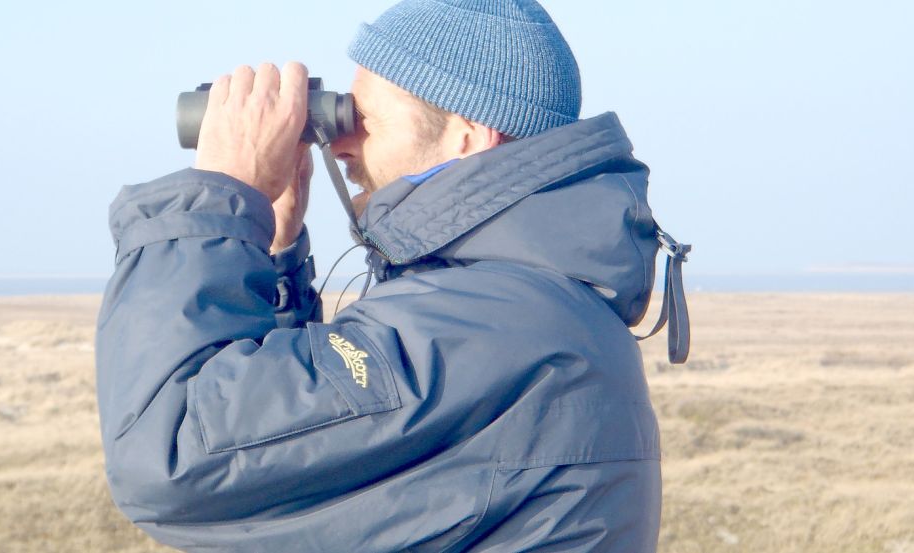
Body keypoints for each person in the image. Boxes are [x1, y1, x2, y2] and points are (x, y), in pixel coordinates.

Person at [97, 1, 683, 551]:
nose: (340, 141)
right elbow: (296, 478)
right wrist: (269, 256)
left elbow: (172, 456)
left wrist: (218, 197)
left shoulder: (490, 322)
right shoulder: (519, 306)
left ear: (467, 134)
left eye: (363, 116)